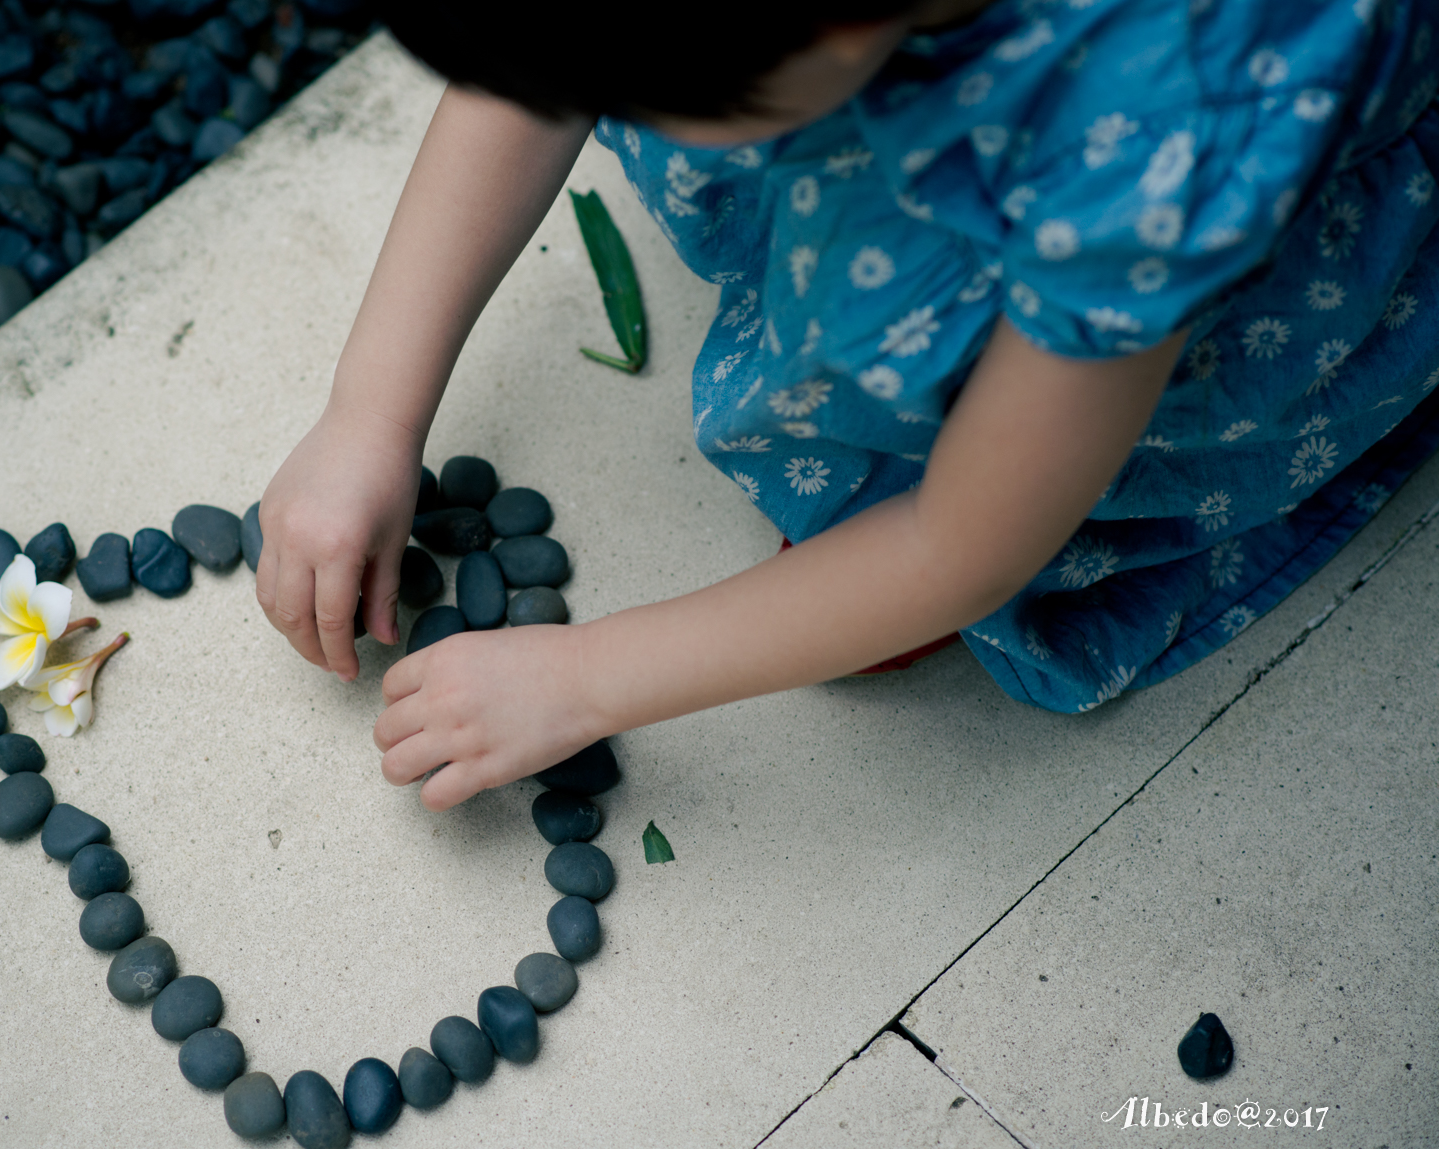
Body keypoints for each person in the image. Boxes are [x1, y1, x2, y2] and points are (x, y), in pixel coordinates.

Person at [254, 0, 1439, 809]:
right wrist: (370, 411)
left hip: (1157, 282)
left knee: (988, 491)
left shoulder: (1138, 168)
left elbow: (956, 544)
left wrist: (586, 677)